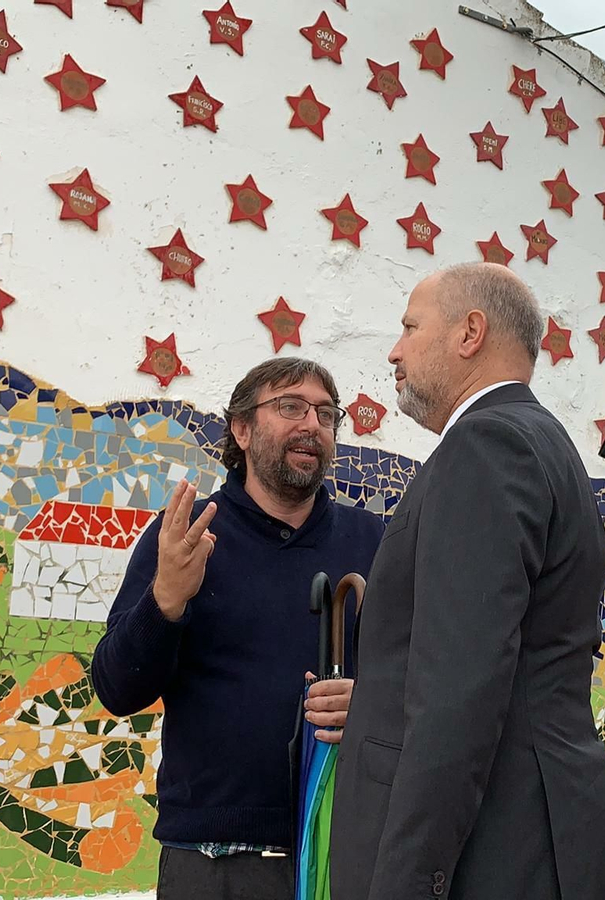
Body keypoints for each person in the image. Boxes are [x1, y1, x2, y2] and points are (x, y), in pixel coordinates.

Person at [330, 263, 605, 900]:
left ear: (470, 332)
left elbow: (457, 691)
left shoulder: (488, 445)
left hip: (497, 850)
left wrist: (410, 882)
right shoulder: (537, 440)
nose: (394, 350)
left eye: (410, 327)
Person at [89, 358, 384, 900]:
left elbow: (418, 676)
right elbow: (116, 688)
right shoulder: (187, 535)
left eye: (325, 413)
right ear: (242, 430)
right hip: (213, 862)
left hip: (343, 850)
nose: (311, 424)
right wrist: (166, 599)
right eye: (290, 406)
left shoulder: (374, 542)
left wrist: (371, 701)